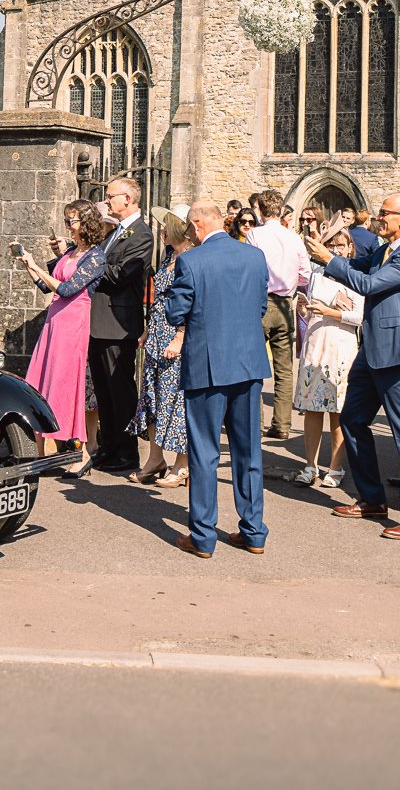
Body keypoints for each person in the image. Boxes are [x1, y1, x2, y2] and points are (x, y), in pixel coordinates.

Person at [304, 193, 400, 541]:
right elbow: (358, 270)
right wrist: (324, 251)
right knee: (351, 418)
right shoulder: (384, 250)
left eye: (384, 214)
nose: (378, 218)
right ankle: (371, 498)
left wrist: (330, 258)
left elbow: (368, 285)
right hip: (372, 348)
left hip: (395, 351)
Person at [163, 201, 273, 558]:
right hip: (247, 363)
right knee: (248, 450)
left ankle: (203, 536)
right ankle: (254, 531)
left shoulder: (191, 261)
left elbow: (175, 311)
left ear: (196, 225)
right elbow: (260, 306)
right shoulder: (254, 256)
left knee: (205, 452)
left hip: (207, 366)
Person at [20, 200, 111, 474]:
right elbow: (46, 286)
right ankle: (40, 454)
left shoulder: (96, 257)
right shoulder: (70, 252)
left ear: (86, 223)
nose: (67, 226)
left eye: (71, 221)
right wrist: (28, 265)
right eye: (66, 220)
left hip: (73, 323)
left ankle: (81, 453)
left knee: (66, 385)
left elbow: (69, 288)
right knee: (41, 381)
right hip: (54, 320)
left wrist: (37, 268)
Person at [88, 175, 153, 473]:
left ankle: (127, 453)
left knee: (121, 390)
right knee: (103, 389)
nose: (106, 200)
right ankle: (109, 447)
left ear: (127, 199)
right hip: (98, 320)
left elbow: (122, 275)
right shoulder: (112, 233)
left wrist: (92, 263)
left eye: (111, 195)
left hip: (119, 322)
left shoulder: (141, 234)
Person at [128, 208, 193, 487]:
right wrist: (146, 330)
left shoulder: (190, 259)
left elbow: (191, 304)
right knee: (152, 397)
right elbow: (158, 302)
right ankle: (155, 459)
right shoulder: (169, 257)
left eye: (165, 227)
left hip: (174, 340)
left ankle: (182, 465)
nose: (161, 232)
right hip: (156, 337)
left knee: (176, 400)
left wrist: (179, 338)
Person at [292, 229, 360, 487]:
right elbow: (312, 311)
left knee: (337, 408)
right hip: (316, 341)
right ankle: (310, 465)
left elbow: (360, 316)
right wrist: (304, 310)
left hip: (340, 343)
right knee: (312, 407)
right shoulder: (317, 276)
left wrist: (330, 312)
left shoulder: (355, 276)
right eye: (332, 245)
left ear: (350, 248)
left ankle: (335, 466)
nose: (337, 249)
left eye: (341, 245)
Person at [246, 189, 310, 443]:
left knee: (254, 366)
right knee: (284, 368)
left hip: (260, 303)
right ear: (281, 210)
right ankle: (282, 424)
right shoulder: (293, 238)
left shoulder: (254, 233)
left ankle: (256, 422)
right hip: (285, 303)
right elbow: (305, 273)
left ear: (259, 211)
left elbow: (250, 269)